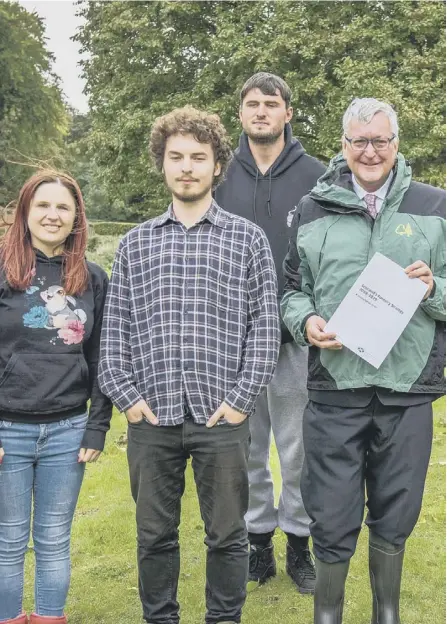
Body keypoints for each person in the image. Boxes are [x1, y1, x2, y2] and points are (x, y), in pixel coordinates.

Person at [98, 106, 280, 624]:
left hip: (220, 416)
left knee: (227, 534)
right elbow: (115, 334)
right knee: (154, 535)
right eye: (175, 157)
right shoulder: (135, 244)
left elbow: (264, 331)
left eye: (198, 157)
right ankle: (161, 617)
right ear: (161, 164)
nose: (186, 167)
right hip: (151, 417)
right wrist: (127, 399)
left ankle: (224, 618)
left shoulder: (247, 241)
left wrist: (241, 402)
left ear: (217, 165)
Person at [281, 97, 445, 624]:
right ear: (344, 146)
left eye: (380, 140)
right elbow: (291, 289)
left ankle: (386, 611)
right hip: (335, 388)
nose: (369, 151)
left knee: (396, 510)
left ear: (396, 144)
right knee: (330, 511)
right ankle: (328, 613)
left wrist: (433, 288)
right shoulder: (313, 207)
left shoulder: (435, 206)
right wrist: (305, 322)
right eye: (359, 141)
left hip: (408, 388)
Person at [215, 72, 326, 593]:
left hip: (295, 339)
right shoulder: (217, 175)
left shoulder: (321, 177)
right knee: (247, 448)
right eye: (252, 103)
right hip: (233, 342)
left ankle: (299, 544)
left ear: (287, 113)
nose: (261, 111)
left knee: (298, 449)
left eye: (271, 103)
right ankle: (257, 541)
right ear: (241, 113)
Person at [0, 171, 112, 624]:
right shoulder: (4, 273)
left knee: (52, 538)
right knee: (8, 540)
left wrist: (97, 426)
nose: (52, 215)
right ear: (25, 212)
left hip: (68, 430)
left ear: (76, 218)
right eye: (43, 205)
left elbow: (104, 355)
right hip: (7, 429)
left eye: (63, 207)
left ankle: (49, 617)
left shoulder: (91, 279)